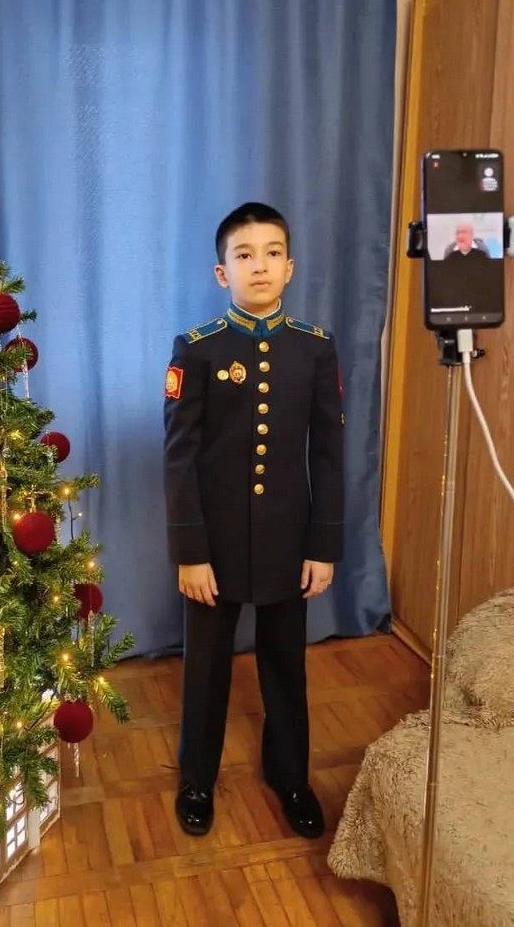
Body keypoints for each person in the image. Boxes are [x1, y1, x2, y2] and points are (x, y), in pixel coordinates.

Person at [163, 201, 344, 840]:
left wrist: (323, 545)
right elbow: (179, 459)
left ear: (289, 267)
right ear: (223, 273)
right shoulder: (198, 349)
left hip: (289, 542)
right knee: (206, 667)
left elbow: (327, 453)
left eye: (272, 253)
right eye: (244, 255)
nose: (259, 266)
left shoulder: (315, 348)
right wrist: (190, 552)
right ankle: (197, 778)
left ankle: (291, 776)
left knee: (285, 664)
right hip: (213, 545)